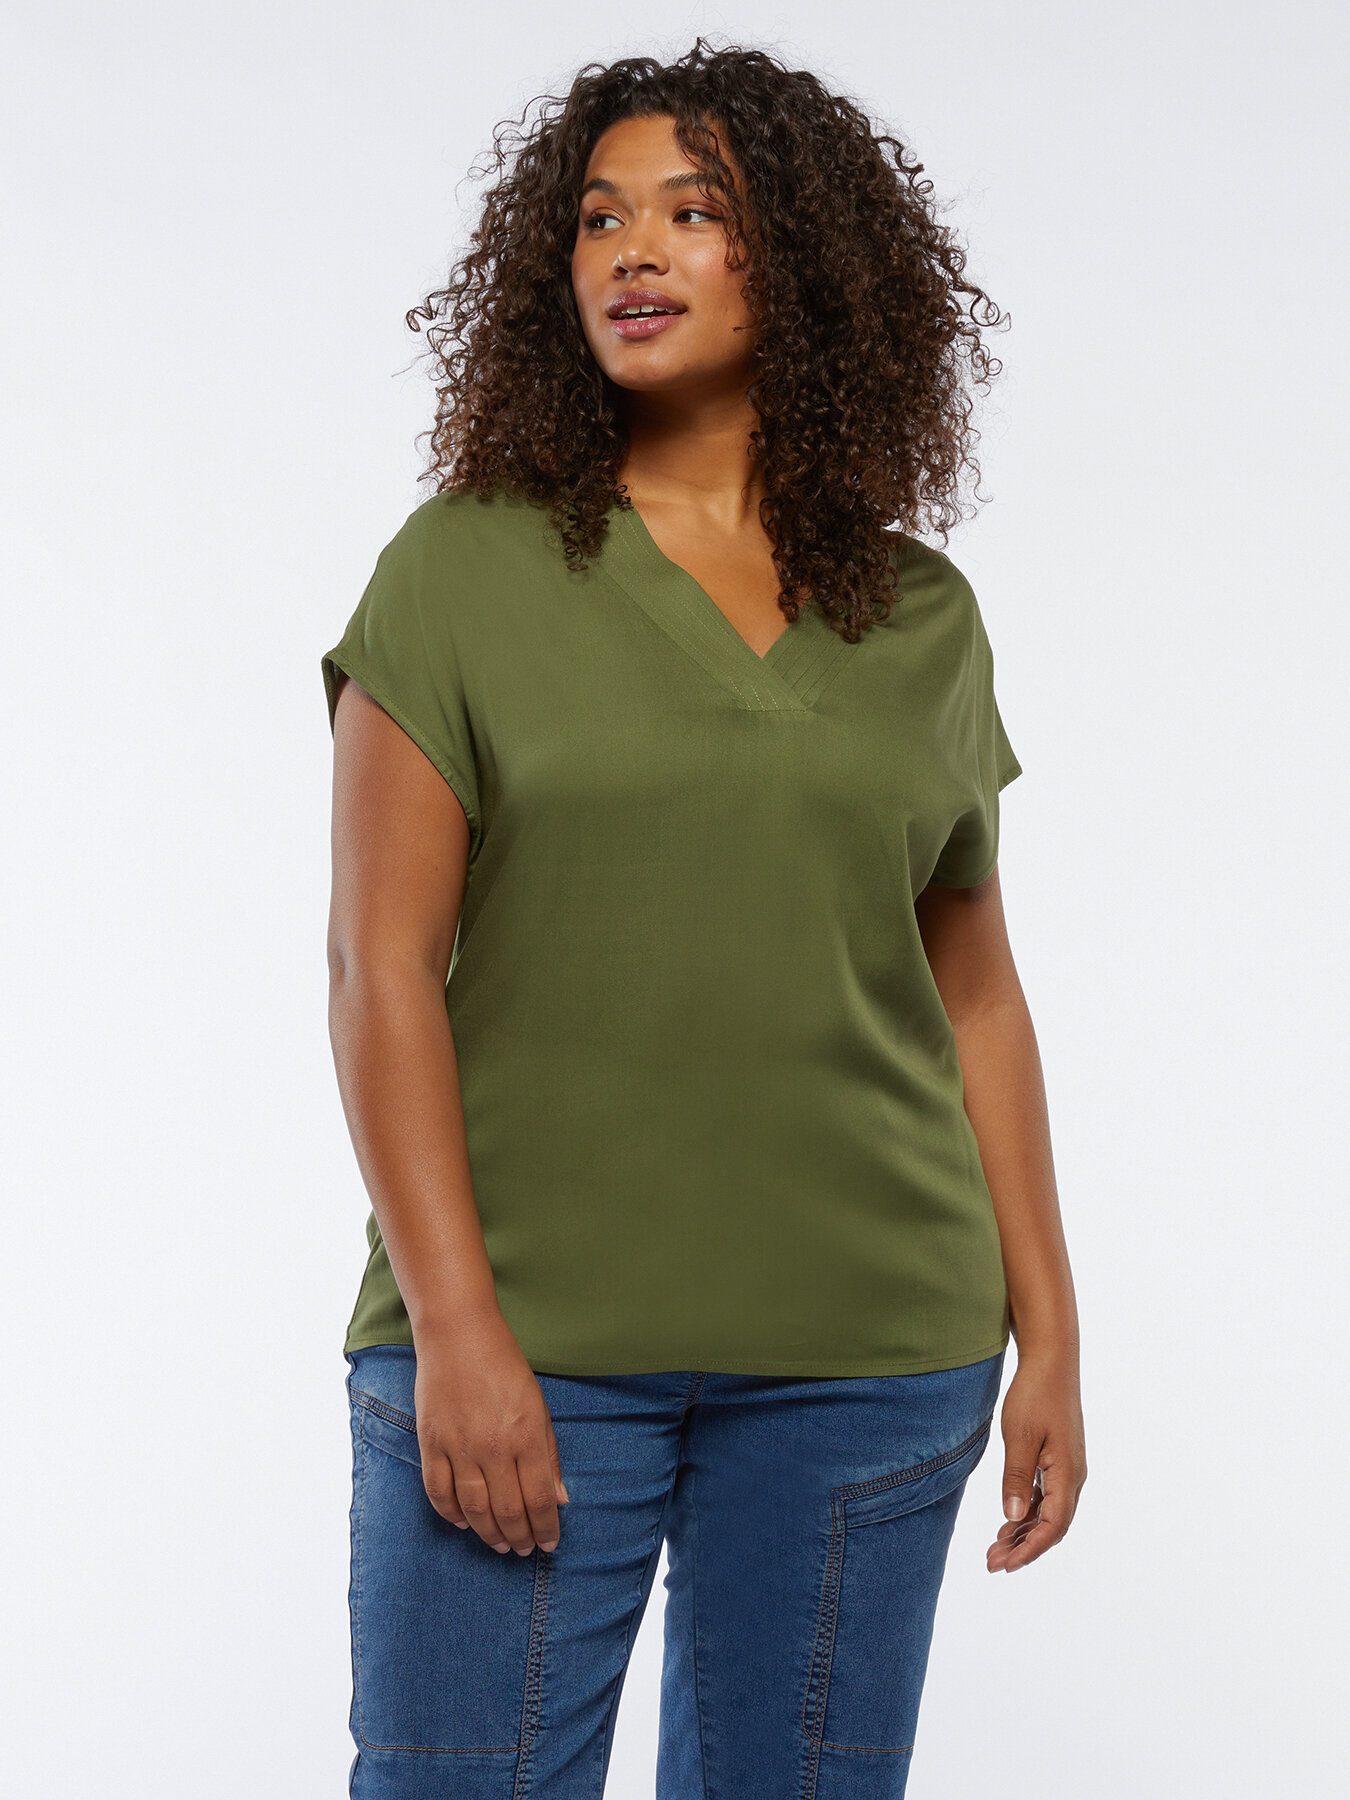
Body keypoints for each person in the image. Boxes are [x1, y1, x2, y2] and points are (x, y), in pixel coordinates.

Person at [322, 39, 1086, 1800]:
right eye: (599, 218)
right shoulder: (461, 569)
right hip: (521, 1345)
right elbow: (378, 970)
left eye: (691, 211)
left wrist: (1049, 1327)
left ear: (804, 264)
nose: (632, 251)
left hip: (869, 1357)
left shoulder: (918, 615)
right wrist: (456, 1330)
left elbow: (974, 998)